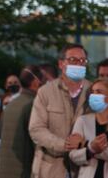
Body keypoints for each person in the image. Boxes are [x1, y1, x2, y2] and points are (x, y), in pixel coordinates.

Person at [29, 43, 92, 178]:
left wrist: (84, 145)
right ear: (61, 64)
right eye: (73, 60)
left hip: (85, 168)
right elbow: (36, 129)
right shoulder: (45, 92)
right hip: (52, 169)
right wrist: (65, 145)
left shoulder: (94, 92)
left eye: (82, 60)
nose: (78, 64)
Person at [0, 65, 43, 178]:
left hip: (4, 171)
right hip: (23, 171)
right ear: (36, 82)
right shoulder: (33, 105)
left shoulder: (9, 105)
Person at [69, 79, 108, 178]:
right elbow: (73, 155)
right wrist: (91, 149)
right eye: (93, 92)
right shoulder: (82, 121)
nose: (94, 95)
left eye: (99, 92)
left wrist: (85, 144)